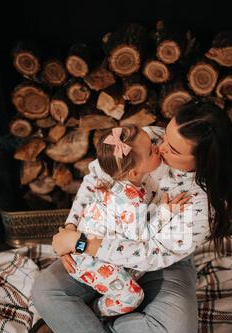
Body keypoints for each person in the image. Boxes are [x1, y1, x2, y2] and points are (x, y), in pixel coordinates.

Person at [27, 100, 232, 333]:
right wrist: (70, 228)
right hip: (99, 249)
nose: (159, 146)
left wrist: (81, 244)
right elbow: (96, 177)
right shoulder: (145, 140)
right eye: (163, 135)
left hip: (157, 262)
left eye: (172, 149)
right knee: (45, 290)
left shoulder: (204, 201)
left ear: (202, 160)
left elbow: (149, 254)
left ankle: (71, 323)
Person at [68, 125, 191, 317]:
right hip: (89, 259)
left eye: (152, 143)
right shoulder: (130, 200)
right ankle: (94, 312)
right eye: (151, 151)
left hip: (89, 246)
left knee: (136, 266)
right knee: (133, 297)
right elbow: (141, 237)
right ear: (134, 173)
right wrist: (166, 213)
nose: (157, 148)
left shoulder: (117, 180)